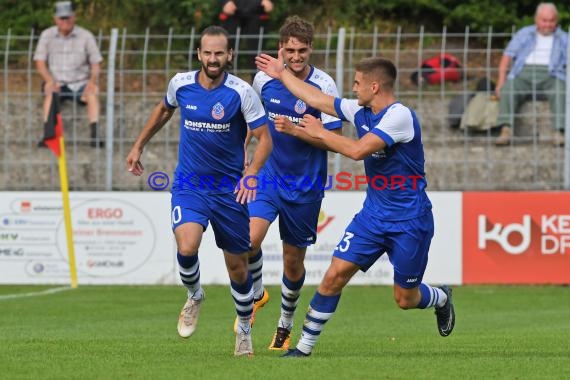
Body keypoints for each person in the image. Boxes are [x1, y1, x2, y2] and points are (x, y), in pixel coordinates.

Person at [255, 52, 456, 357]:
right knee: (335, 274)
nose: (353, 88)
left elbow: (359, 150)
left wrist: (320, 133)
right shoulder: (360, 110)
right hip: (372, 217)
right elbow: (320, 100)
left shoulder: (399, 116)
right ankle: (303, 348)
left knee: (405, 298)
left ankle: (440, 298)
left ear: (375, 87)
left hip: (410, 221)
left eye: (358, 83)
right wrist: (282, 74)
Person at [126, 25, 272, 357]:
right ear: (199, 54)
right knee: (187, 245)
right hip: (190, 185)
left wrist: (251, 175)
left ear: (229, 55)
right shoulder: (181, 83)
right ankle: (194, 295)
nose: (213, 58)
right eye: (207, 52)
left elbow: (265, 138)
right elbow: (164, 110)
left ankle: (244, 331)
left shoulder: (242, 92)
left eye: (220, 53)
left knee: (237, 265)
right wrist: (138, 146)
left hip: (229, 191)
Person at [235, 16, 343, 351]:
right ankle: (257, 294)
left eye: (302, 51)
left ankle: (285, 323)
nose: (296, 57)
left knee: (292, 262)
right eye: (290, 50)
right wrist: (243, 159)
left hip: (306, 186)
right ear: (281, 47)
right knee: (246, 241)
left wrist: (302, 131)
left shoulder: (324, 86)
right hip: (267, 177)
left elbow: (334, 140)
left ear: (311, 49)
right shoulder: (263, 79)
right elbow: (250, 124)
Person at [494, 2, 567, 147]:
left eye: (551, 20)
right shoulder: (524, 33)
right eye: (544, 20)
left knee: (560, 90)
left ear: (556, 21)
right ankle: (506, 129)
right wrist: (501, 81)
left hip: (551, 74)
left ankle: (558, 131)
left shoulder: (564, 38)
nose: (547, 24)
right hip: (524, 72)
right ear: (536, 20)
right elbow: (507, 56)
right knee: (509, 88)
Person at [34, 1, 104, 148]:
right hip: (57, 82)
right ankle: (48, 134)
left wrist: (91, 81)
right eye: (62, 18)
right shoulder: (47, 35)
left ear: (74, 17)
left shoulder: (86, 36)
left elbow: (96, 63)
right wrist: (49, 80)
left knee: (93, 92)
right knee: (49, 92)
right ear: (55, 19)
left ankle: (95, 134)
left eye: (68, 17)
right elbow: (39, 62)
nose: (65, 21)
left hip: (81, 83)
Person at [218, 0, 273, 81]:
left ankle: (259, 83)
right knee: (228, 49)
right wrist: (224, 2)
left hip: (257, 11)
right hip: (232, 12)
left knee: (257, 51)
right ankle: (226, 82)